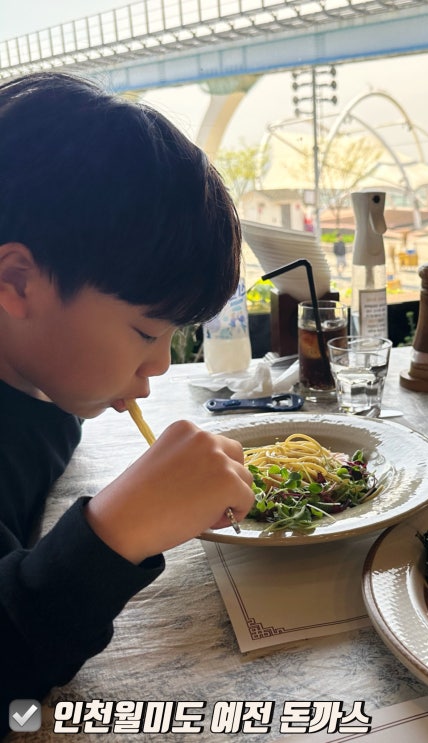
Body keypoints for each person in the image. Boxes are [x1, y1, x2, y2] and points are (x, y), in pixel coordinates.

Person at [0, 72, 255, 732]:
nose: (160, 364)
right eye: (145, 332)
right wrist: (114, 531)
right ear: (18, 282)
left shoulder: (42, 384)